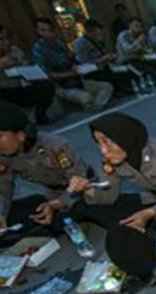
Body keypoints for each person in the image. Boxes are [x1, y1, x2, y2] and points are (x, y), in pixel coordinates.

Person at [66, 112, 156, 256]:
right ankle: (151, 230)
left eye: (107, 142)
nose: (103, 150)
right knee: (89, 207)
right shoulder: (112, 160)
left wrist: (149, 213)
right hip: (154, 199)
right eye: (98, 143)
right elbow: (108, 197)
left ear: (123, 137)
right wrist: (87, 187)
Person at [0, 102, 89, 245]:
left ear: (20, 135)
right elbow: (4, 189)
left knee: (65, 221)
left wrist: (55, 205)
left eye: (0, 136)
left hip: (82, 190)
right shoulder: (4, 157)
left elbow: (79, 181)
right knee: (26, 215)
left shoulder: (55, 146)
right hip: (53, 194)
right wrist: (2, 215)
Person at [32, 18, 113, 111]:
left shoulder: (59, 43)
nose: (47, 33)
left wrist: (74, 66)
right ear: (37, 32)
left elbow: (70, 60)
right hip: (61, 86)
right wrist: (70, 74)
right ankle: (90, 108)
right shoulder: (38, 50)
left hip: (77, 80)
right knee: (86, 97)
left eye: (49, 30)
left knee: (107, 87)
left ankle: (94, 108)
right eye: (43, 30)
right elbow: (46, 74)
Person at [0, 25, 55, 124]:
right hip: (4, 91)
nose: (5, 42)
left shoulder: (14, 50)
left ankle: (40, 115)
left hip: (20, 87)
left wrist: (23, 65)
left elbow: (25, 63)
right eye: (1, 39)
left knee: (46, 85)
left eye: (6, 38)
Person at [73, 19, 134, 95]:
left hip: (104, 68)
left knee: (126, 71)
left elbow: (103, 52)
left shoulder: (96, 40)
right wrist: (102, 59)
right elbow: (83, 63)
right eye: (97, 32)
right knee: (118, 78)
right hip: (92, 73)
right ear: (91, 32)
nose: (99, 34)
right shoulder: (80, 43)